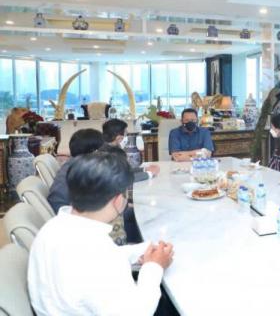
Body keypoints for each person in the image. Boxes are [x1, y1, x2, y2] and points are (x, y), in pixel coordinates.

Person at [28, 152, 174, 315]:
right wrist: (154, 266)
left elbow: (97, 260)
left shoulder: (52, 227)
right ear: (118, 200)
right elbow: (136, 312)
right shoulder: (99, 255)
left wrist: (140, 251)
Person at [47, 128, 105, 213]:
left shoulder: (75, 163)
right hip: (68, 214)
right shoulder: (80, 171)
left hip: (68, 210)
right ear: (94, 151)